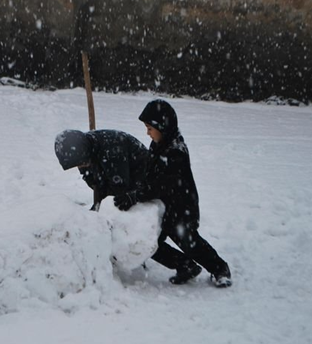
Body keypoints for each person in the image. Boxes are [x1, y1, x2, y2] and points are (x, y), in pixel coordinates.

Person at [113, 99, 232, 288]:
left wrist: (135, 196)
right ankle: (185, 265)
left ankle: (220, 269)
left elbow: (162, 184)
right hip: (162, 207)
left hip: (182, 207)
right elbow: (150, 176)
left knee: (189, 242)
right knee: (149, 243)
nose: (147, 133)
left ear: (163, 127)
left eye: (150, 128)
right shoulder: (158, 144)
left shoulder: (176, 151)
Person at [54, 129, 148, 208]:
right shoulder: (86, 147)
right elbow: (94, 181)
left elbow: (119, 188)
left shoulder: (112, 150)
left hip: (144, 181)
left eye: (81, 163)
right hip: (119, 175)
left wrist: (103, 208)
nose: (81, 167)